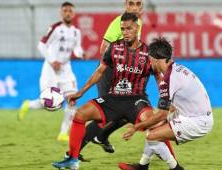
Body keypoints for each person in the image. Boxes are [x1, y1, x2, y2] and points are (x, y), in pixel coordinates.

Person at [52, 12, 163, 170]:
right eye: (123, 29)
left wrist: (166, 100)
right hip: (114, 99)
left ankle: (173, 166)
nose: (125, 32)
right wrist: (81, 92)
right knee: (80, 114)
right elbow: (99, 71)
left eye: (129, 29)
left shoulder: (148, 53)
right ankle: (72, 159)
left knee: (157, 125)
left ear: (137, 28)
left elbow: (159, 77)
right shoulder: (114, 47)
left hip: (136, 100)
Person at [119, 38, 214, 170]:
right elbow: (172, 106)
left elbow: (163, 114)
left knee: (152, 136)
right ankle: (142, 166)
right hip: (192, 114)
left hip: (197, 121)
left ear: (156, 60)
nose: (149, 63)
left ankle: (175, 168)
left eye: (150, 59)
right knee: (153, 127)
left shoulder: (168, 79)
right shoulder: (177, 69)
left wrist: (136, 127)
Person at [79, 0, 145, 154]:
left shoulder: (138, 23)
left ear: (141, 7)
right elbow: (103, 49)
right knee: (107, 113)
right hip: (108, 72)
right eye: (131, 3)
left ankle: (101, 137)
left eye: (138, 3)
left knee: (125, 112)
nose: (134, 7)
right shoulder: (118, 23)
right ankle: (73, 151)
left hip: (121, 75)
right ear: (125, 5)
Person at [18, 2, 85, 142]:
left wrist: (80, 53)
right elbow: (41, 45)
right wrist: (52, 60)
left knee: (72, 100)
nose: (67, 13)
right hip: (51, 69)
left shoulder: (76, 32)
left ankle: (63, 133)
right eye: (65, 10)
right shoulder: (55, 28)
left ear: (73, 13)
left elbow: (77, 49)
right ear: (61, 13)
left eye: (70, 11)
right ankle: (28, 104)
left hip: (66, 69)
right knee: (49, 104)